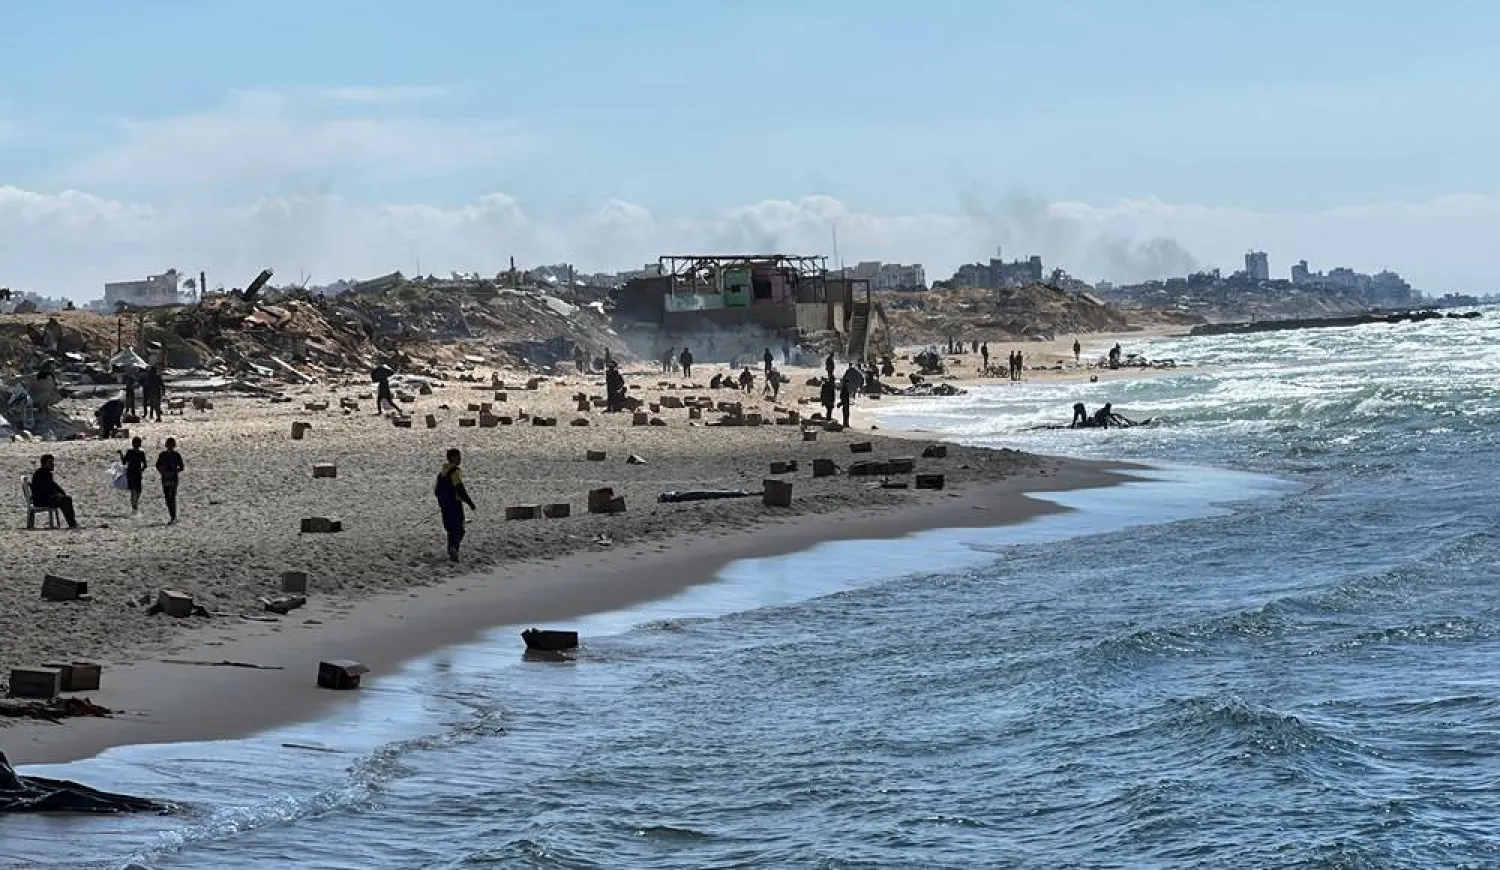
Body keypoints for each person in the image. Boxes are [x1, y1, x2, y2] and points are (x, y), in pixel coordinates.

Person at [434, 447, 477, 562]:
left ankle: (451, 550)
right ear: (453, 458)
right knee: (459, 530)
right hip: (455, 504)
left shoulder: (442, 473)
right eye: (458, 457)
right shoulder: (454, 472)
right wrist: (470, 503)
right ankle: (454, 548)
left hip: (445, 506)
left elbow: (436, 491)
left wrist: (442, 503)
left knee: (450, 529)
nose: (460, 459)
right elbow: (460, 488)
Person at [29, 454, 78, 529]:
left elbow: (54, 486)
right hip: (41, 500)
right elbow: (43, 490)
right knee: (65, 500)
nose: (52, 465)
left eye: (52, 462)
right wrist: (56, 495)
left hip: (47, 498)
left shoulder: (47, 474)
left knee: (66, 499)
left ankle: (72, 523)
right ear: (43, 464)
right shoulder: (39, 474)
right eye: (50, 462)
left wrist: (61, 494)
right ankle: (72, 524)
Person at [155, 437, 185, 524]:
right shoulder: (162, 455)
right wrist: (162, 471)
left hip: (173, 479)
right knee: (168, 498)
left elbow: (182, 467)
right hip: (165, 479)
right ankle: (172, 515)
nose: (170, 447)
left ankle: (173, 516)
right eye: (169, 445)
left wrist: (175, 471)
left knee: (172, 497)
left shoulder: (176, 455)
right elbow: (157, 465)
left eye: (171, 445)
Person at [119, 436, 148, 513]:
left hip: (137, 473)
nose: (136, 445)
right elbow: (124, 462)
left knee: (138, 491)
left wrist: (141, 469)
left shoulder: (141, 453)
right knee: (133, 490)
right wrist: (121, 454)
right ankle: (134, 507)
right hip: (131, 473)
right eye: (135, 443)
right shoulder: (130, 452)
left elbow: (145, 465)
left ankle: (135, 504)